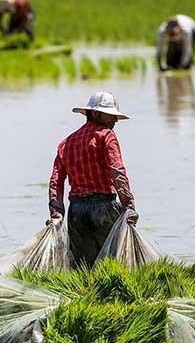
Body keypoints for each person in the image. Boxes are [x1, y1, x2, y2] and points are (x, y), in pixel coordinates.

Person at [48, 92, 139, 267]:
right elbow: (117, 171)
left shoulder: (66, 143)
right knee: (112, 264)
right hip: (104, 207)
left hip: (76, 212)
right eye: (111, 115)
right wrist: (128, 205)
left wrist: (56, 212)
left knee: (83, 268)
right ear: (95, 114)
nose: (115, 120)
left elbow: (55, 182)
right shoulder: (106, 136)